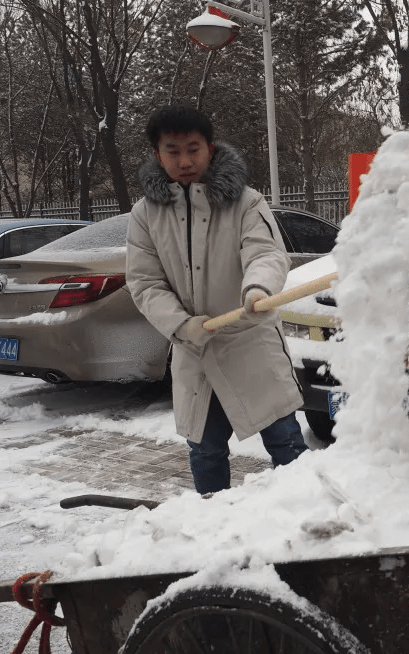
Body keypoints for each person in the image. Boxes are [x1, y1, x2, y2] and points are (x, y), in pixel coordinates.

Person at [126, 105, 308, 494]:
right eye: (173, 151)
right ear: (157, 155)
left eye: (193, 148)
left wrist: (258, 289)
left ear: (210, 147)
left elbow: (265, 253)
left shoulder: (245, 202)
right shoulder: (145, 214)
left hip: (250, 342)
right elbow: (144, 282)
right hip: (195, 349)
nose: (185, 160)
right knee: (205, 451)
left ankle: (307, 522)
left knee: (285, 445)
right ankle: (213, 525)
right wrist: (180, 324)